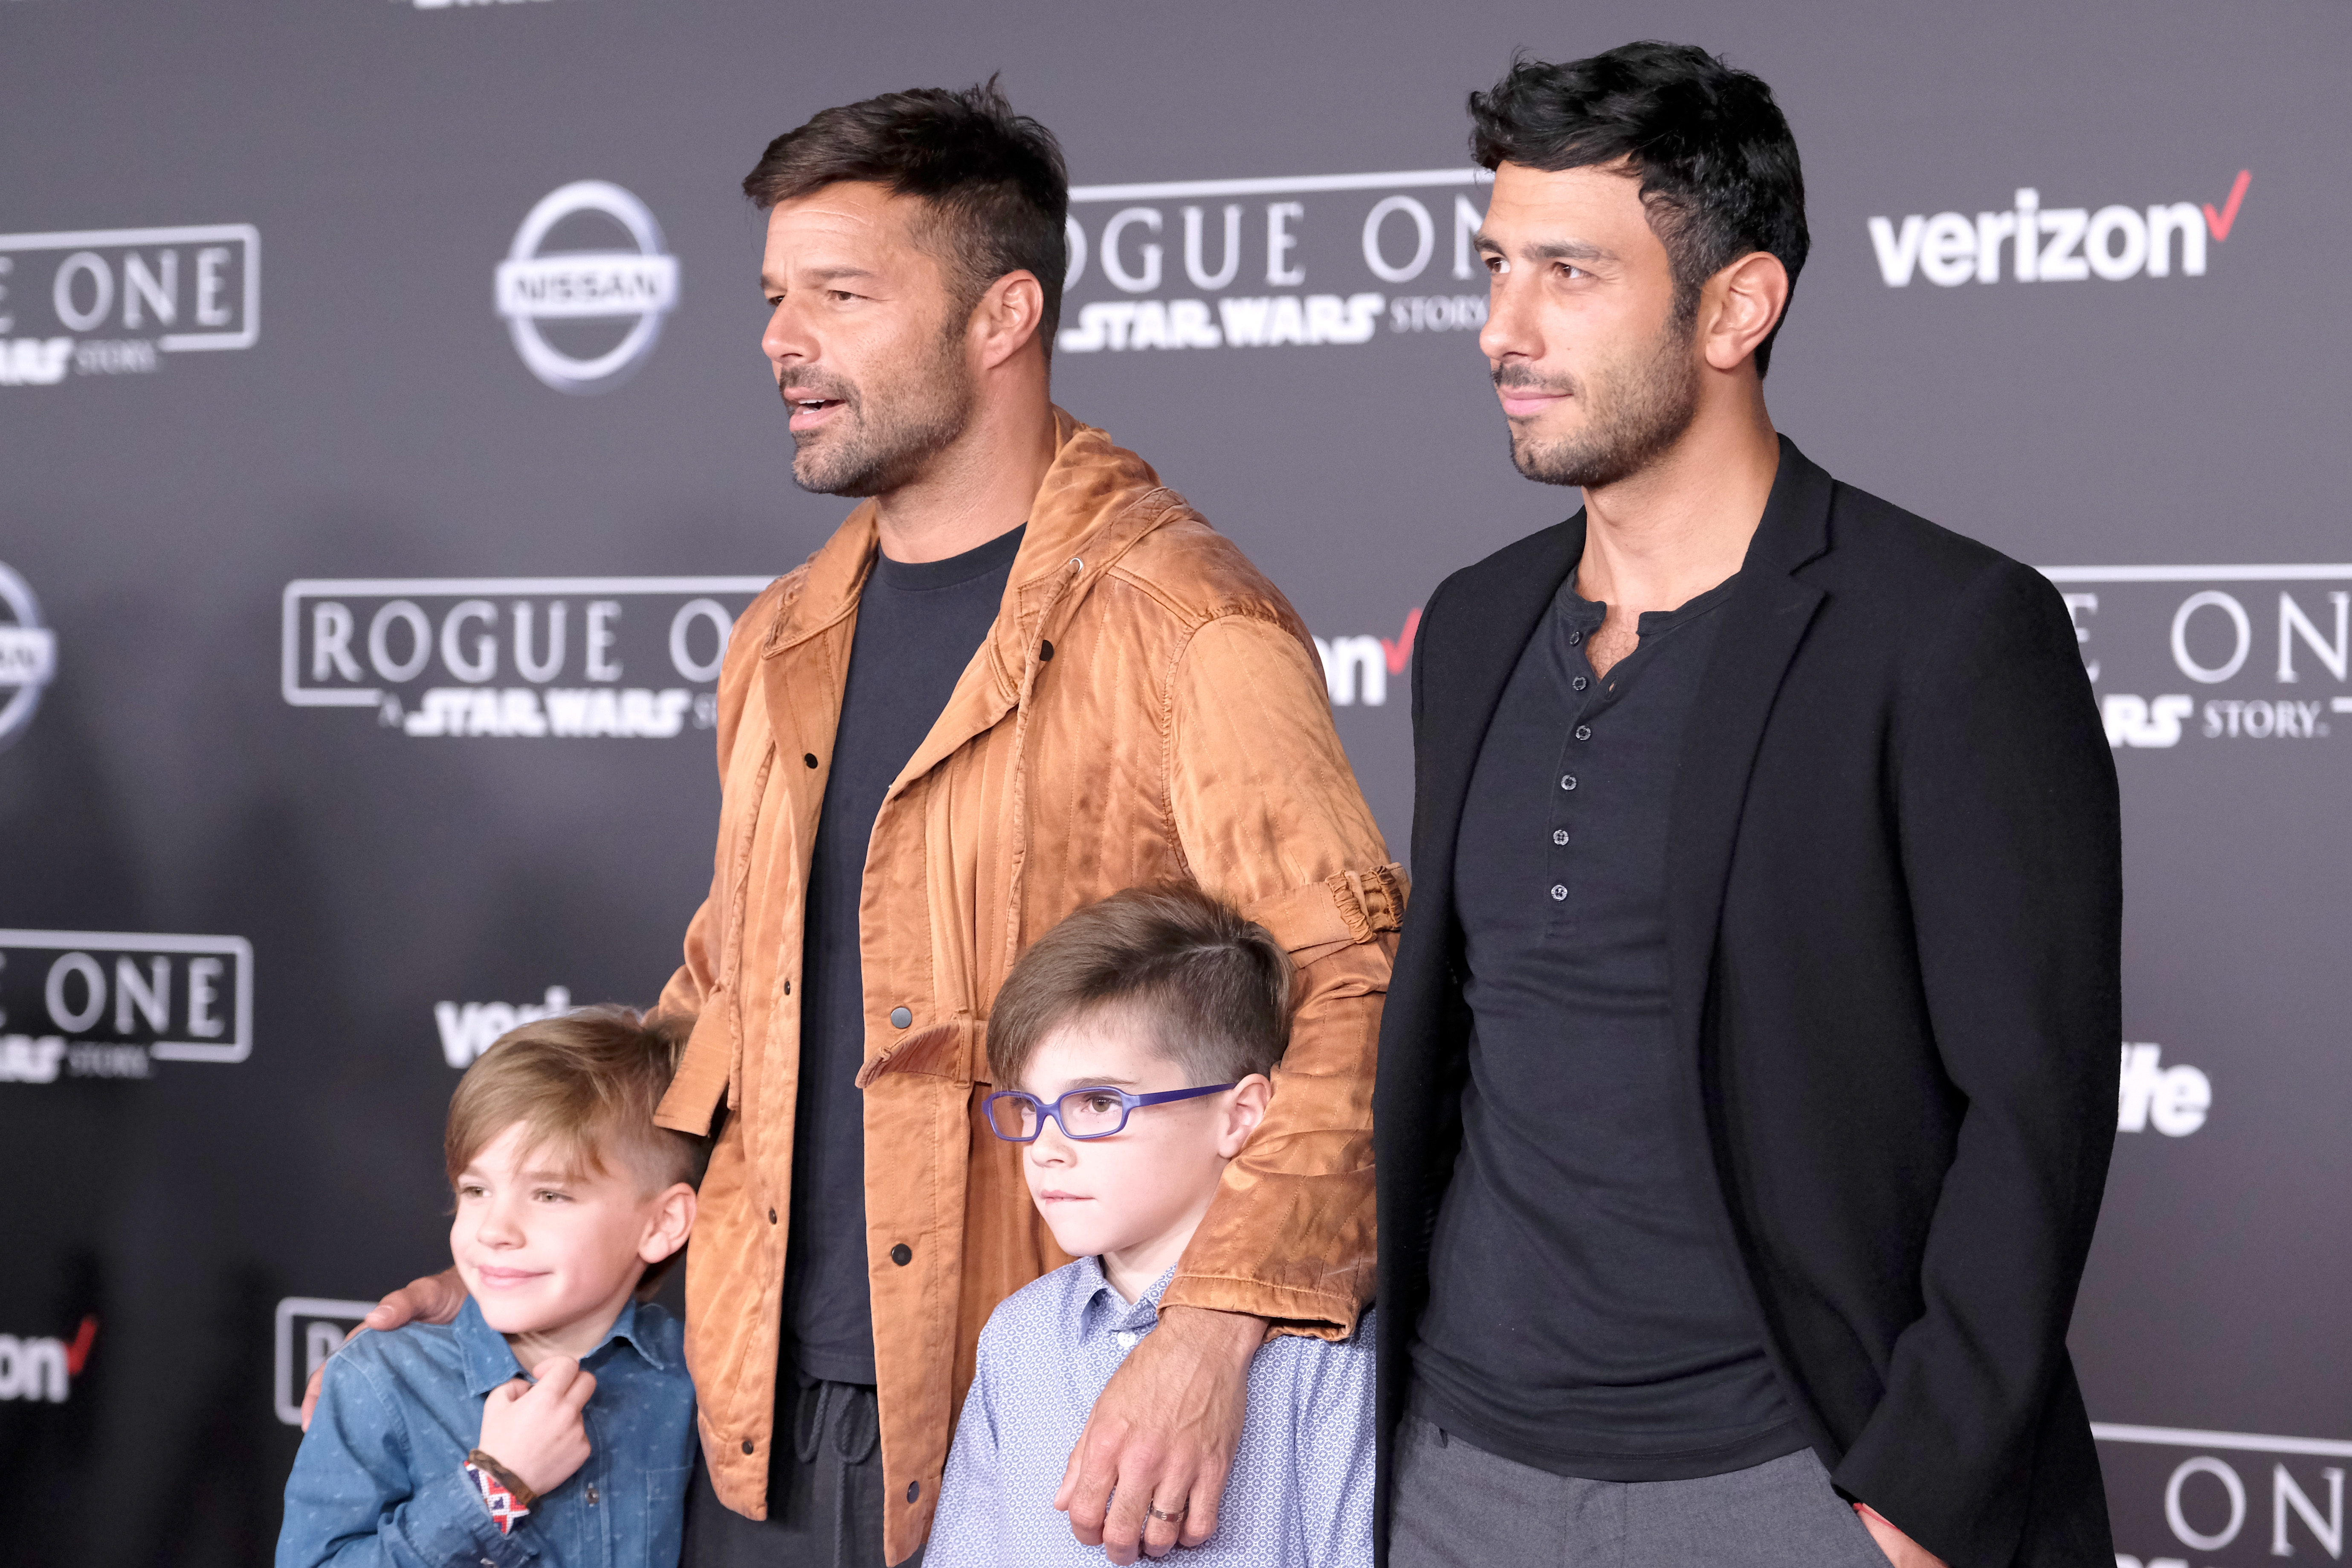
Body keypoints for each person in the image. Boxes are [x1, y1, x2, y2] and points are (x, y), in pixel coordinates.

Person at [309, 81, 1400, 1568]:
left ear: (1001, 315)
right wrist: (552, 1263)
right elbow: (723, 1000)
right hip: (746, 1412)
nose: (781, 338)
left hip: (1048, 1421)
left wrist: (1210, 1334)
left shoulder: (1186, 622)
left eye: (840, 294)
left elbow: (1344, 994)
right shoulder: (782, 634)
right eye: (774, 296)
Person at [1374, 42, 2121, 1568]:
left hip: (1780, 1481)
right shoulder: (1471, 622)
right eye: (1496, 265)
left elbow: (2032, 1113)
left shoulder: (1944, 630)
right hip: (1455, 1472)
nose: (1502, 327)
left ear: (1736, 306)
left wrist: (1907, 1504)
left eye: (1570, 272)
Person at [928, 884, 1377, 1567]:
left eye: (1097, 1102)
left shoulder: (1328, 1358)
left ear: (1240, 1115)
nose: (1045, 1147)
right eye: (1030, 1108)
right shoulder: (1016, 1337)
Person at [279, 1009, 704, 1568]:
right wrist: (497, 1486)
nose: (494, 1230)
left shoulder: (698, 1377)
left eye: (550, 1195)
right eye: (476, 1190)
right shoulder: (382, 1381)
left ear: (663, 1223)